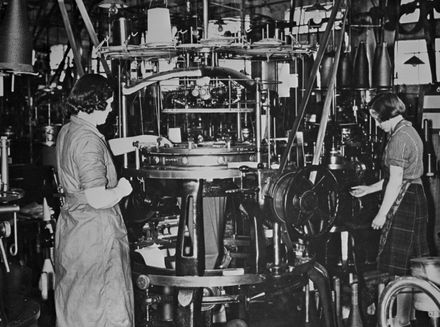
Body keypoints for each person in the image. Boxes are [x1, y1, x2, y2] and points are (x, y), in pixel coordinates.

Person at [55, 74, 134, 327]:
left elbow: (103, 149)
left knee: (78, 309)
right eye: (109, 103)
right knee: (105, 310)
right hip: (96, 235)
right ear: (95, 102)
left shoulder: (71, 129)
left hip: (75, 230)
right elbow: (98, 198)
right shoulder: (88, 140)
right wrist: (122, 189)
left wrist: (140, 141)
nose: (111, 109)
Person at [350, 93, 429, 327]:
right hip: (414, 194)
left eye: (377, 119)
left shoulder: (398, 140)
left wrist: (381, 214)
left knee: (398, 266)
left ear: (388, 116)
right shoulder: (408, 131)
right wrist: (369, 189)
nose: (377, 124)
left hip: (405, 199)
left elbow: (396, 182)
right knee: (408, 264)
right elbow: (399, 178)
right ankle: (405, 317)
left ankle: (399, 319)